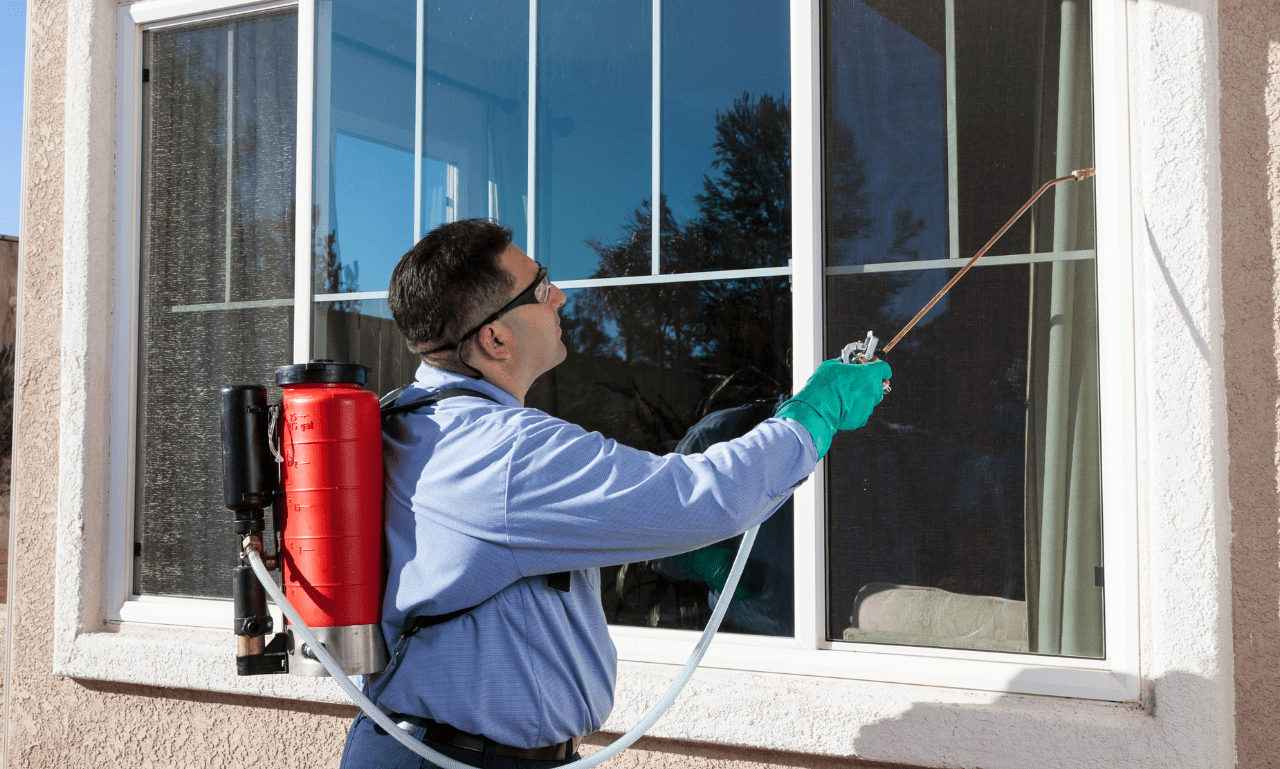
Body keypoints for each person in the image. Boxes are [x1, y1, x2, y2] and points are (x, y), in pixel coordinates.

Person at [340, 219, 890, 769]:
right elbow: (700, 497)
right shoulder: (503, 454)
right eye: (540, 286)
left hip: (426, 747)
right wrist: (814, 415)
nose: (559, 296)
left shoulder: (410, 416)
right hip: (456, 760)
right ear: (495, 338)